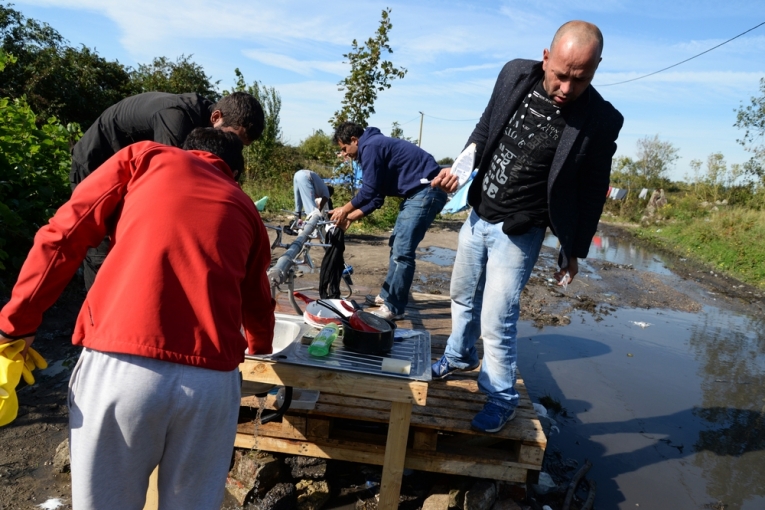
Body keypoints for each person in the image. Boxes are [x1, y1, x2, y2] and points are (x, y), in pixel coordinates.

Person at [0, 128, 275, 508]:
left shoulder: (145, 158)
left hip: (122, 367)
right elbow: (259, 301)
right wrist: (261, 349)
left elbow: (65, 236)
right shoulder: (245, 207)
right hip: (210, 383)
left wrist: (16, 323)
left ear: (186, 149)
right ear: (236, 173)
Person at [430, 21, 624, 433]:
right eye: (561, 75)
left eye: (581, 79)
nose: (568, 88)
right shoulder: (514, 74)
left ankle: (501, 397)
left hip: (521, 230)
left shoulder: (601, 119)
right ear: (546, 57)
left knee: (497, 316)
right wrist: (460, 169)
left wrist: (574, 249)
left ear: (597, 68)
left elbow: (592, 190)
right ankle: (459, 354)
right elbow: (486, 127)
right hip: (479, 210)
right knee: (462, 295)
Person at [70, 91, 266, 290]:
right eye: (233, 138)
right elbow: (169, 184)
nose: (232, 147)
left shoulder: (204, 121)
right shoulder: (177, 119)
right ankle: (97, 313)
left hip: (127, 171)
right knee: (103, 254)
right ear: (216, 117)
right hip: (94, 165)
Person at [330, 122, 448, 321]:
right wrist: (349, 217)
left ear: (354, 140)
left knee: (403, 252)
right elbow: (376, 197)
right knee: (397, 247)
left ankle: (394, 308)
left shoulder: (371, 147)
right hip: (417, 195)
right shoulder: (373, 147)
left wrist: (344, 209)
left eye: (344, 149)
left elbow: (368, 191)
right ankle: (386, 297)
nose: (345, 154)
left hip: (426, 192)